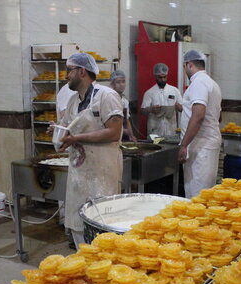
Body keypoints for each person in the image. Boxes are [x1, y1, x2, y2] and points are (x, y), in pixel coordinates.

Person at [57, 53, 124, 248]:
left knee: (102, 222)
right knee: (78, 223)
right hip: (79, 173)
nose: (66, 75)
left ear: (82, 71)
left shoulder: (106, 96)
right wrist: (58, 130)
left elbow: (114, 132)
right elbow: (67, 129)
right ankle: (83, 265)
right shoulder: (72, 102)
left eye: (69, 70)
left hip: (103, 172)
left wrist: (76, 138)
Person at [179, 50, 222, 199]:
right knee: (203, 194)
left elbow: (198, 116)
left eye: (184, 66)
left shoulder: (199, 83)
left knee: (197, 196)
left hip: (201, 146)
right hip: (205, 143)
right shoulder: (211, 83)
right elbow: (218, 116)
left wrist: (184, 144)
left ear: (189, 65)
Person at [140, 63, 183, 137]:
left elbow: (182, 108)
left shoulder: (174, 91)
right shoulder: (149, 93)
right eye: (160, 77)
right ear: (155, 76)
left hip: (171, 129)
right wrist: (151, 109)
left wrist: (179, 107)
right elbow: (142, 111)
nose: (163, 80)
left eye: (164, 77)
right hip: (155, 130)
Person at [109, 70, 136, 141]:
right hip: (111, 136)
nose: (121, 85)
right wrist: (123, 130)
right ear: (112, 84)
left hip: (123, 137)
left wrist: (131, 135)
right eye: (118, 82)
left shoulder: (125, 101)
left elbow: (127, 120)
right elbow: (107, 123)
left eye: (123, 81)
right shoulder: (109, 99)